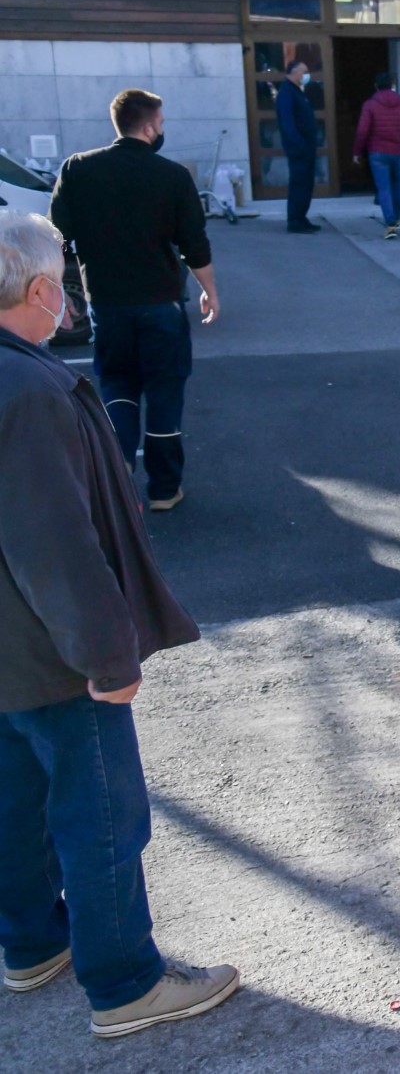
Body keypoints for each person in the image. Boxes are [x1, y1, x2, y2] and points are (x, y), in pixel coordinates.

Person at [0, 210, 240, 1039]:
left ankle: (31, 943)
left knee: (15, 798)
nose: (66, 295)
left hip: (6, 655)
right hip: (50, 651)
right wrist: (106, 654)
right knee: (101, 811)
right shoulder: (29, 390)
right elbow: (53, 544)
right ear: (38, 290)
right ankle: (126, 981)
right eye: (60, 280)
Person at [48, 89, 219, 513]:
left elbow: (56, 237)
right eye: (161, 124)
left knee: (119, 383)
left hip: (106, 302)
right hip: (161, 301)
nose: (162, 130)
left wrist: (56, 290)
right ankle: (164, 489)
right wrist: (209, 290)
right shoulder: (173, 175)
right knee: (164, 387)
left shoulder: (77, 169)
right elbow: (193, 244)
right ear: (147, 126)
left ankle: (121, 462)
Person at [351, 73, 400, 241]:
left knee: (384, 188)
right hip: (398, 151)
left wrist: (357, 152)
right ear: (392, 84)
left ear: (376, 85)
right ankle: (397, 218)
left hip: (378, 152)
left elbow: (362, 130)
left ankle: (390, 223)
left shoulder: (370, 105)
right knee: (397, 187)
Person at [274, 60, 320, 234]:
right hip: (299, 149)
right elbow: (287, 124)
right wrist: (299, 145)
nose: (306, 75)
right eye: (303, 72)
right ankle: (295, 220)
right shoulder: (287, 93)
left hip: (306, 148)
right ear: (293, 73)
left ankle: (302, 217)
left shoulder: (297, 92)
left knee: (307, 183)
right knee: (299, 183)